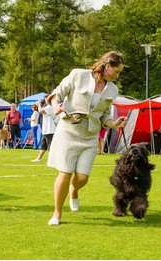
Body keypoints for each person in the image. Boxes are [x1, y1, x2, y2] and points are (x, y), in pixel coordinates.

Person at [46, 51, 127, 226]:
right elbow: (56, 93)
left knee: (82, 177)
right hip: (68, 130)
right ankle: (57, 213)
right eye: (117, 71)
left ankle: (74, 190)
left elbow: (105, 116)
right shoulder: (78, 75)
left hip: (90, 136)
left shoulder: (113, 89)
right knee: (65, 172)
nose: (118, 76)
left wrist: (114, 123)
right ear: (107, 66)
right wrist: (55, 106)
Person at [31, 95, 56, 162]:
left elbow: (41, 111)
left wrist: (39, 104)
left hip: (50, 130)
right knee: (43, 145)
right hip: (46, 130)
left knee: (51, 146)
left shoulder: (50, 107)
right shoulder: (47, 107)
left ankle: (54, 160)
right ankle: (39, 158)